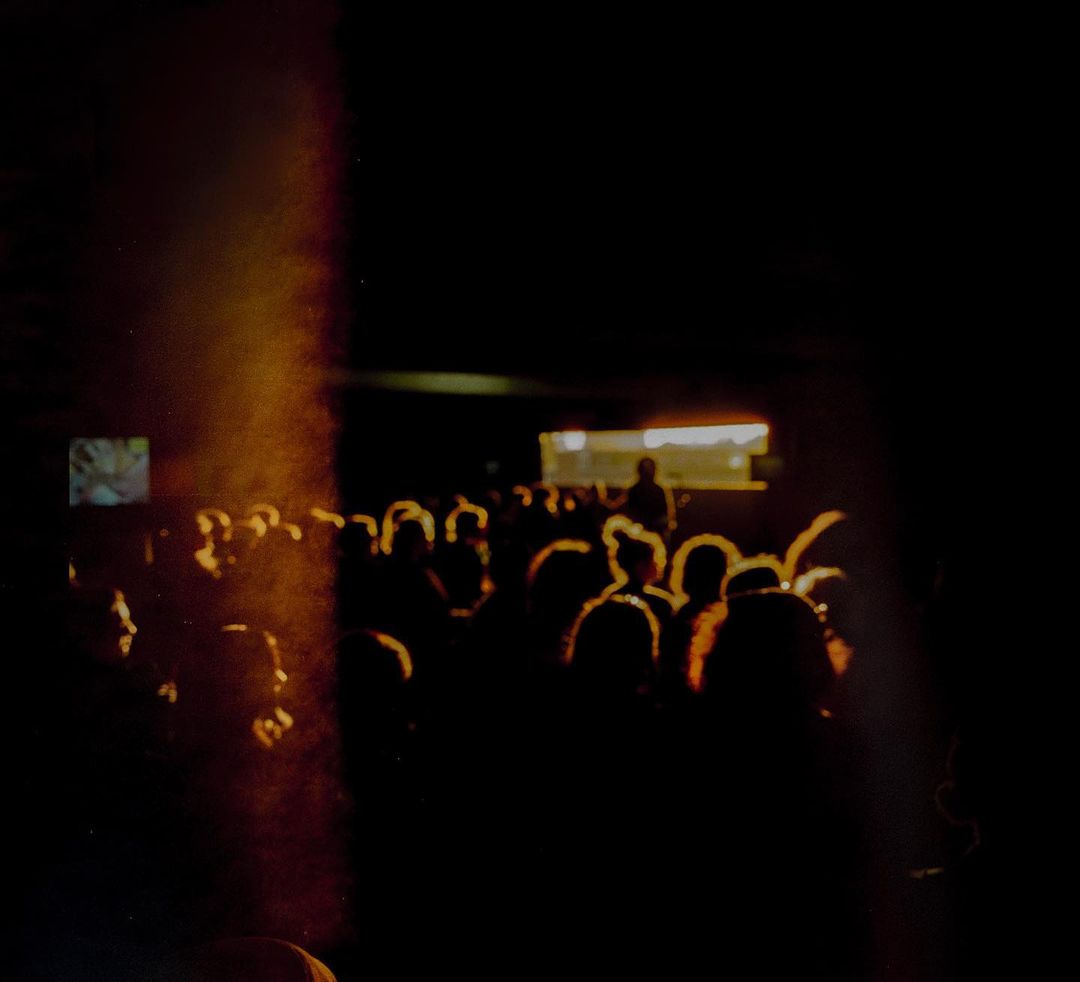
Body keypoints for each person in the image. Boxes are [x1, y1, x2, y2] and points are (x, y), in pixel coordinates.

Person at [613, 457, 675, 540]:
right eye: (645, 470)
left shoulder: (658, 490)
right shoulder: (633, 490)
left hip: (653, 530)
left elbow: (664, 514)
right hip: (638, 530)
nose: (647, 473)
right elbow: (629, 513)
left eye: (649, 469)